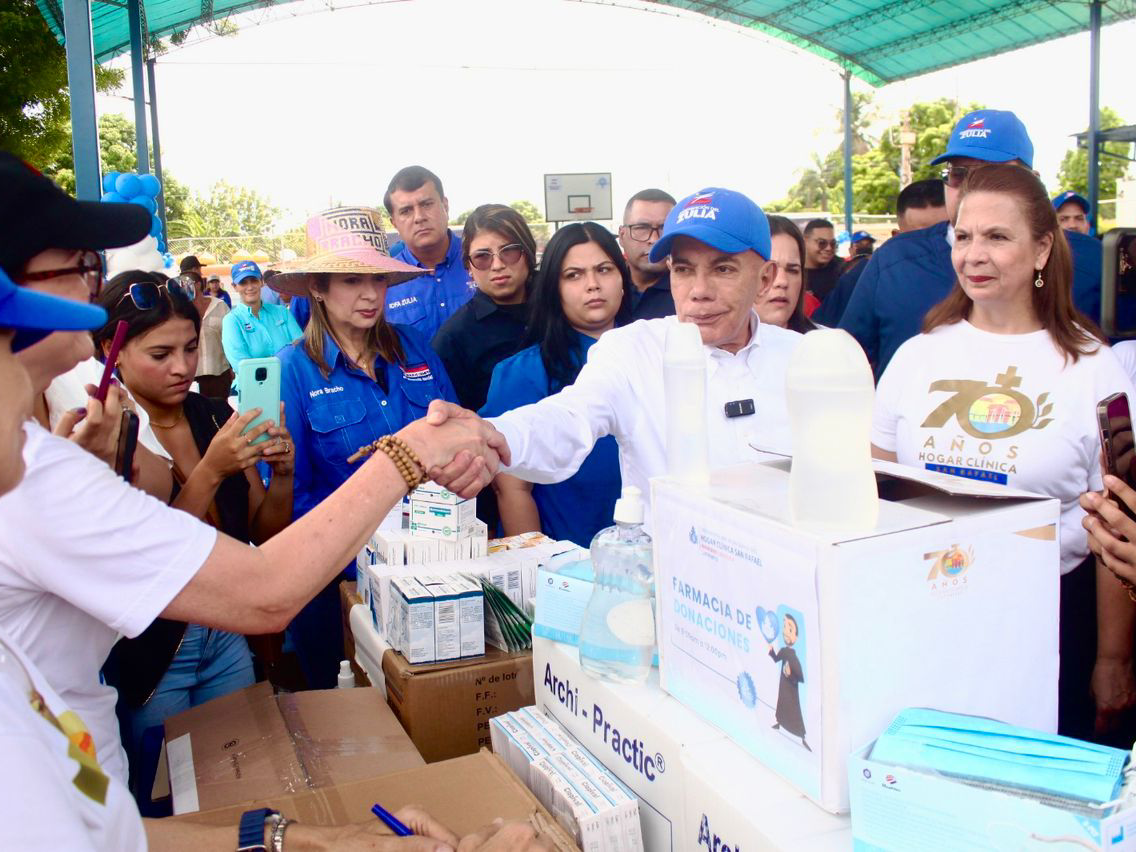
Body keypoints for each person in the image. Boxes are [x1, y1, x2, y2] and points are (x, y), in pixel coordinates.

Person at [0, 153, 505, 793]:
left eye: (379, 279)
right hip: (318, 593)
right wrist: (402, 456)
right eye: (79, 268)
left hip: (432, 571)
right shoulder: (44, 472)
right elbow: (265, 584)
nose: (90, 292)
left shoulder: (48, 459)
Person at [870, 163, 1136, 745]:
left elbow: (1118, 527)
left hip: (1051, 621)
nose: (973, 255)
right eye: (962, 237)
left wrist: (1113, 660)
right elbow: (878, 494)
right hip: (929, 613)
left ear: (1043, 248)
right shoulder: (917, 356)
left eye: (997, 237)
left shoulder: (1096, 369)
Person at [93, 271, 294, 795]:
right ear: (109, 351)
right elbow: (147, 563)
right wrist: (210, 470)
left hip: (225, 628)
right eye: (160, 355)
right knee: (165, 798)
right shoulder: (106, 437)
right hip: (155, 650)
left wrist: (284, 475)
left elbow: (261, 529)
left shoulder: (210, 415)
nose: (183, 367)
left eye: (188, 348)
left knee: (241, 783)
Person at [487, 187, 802, 517]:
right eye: (683, 270)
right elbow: (567, 420)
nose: (699, 292)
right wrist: (491, 436)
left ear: (764, 279)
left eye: (722, 269)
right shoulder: (632, 352)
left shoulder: (804, 359)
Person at [273, 206, 459, 688]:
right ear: (317, 287)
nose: (370, 294)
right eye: (352, 280)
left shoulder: (416, 347)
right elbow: (294, 498)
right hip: (339, 582)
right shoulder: (292, 371)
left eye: (377, 279)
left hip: (434, 567)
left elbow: (456, 437)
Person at [840, 108, 1105, 378]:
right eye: (958, 174)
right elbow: (843, 366)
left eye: (992, 174)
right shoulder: (893, 261)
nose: (972, 188)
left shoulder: (1092, 262)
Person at [480, 223, 631, 546]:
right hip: (567, 568)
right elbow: (513, 488)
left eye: (603, 270)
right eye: (573, 275)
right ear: (554, 288)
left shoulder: (655, 353)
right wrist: (540, 572)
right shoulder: (524, 372)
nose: (592, 285)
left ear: (622, 278)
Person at [432, 204, 535, 411]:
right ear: (468, 266)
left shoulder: (562, 304)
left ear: (528, 252)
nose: (497, 265)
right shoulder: (453, 338)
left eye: (509, 251)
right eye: (482, 257)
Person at [814, 179, 949, 327]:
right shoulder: (862, 278)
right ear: (896, 237)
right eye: (918, 240)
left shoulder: (972, 278)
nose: (935, 248)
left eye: (946, 235)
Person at [383, 167, 476, 339]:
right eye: (406, 211)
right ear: (394, 222)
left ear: (445, 205)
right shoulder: (384, 283)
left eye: (427, 204)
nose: (419, 217)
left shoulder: (481, 262)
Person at [220, 259, 302, 386]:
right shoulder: (232, 321)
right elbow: (243, 366)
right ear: (234, 287)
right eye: (243, 282)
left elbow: (301, 348)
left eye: (254, 280)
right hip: (254, 388)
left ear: (262, 282)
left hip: (291, 385)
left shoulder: (282, 312)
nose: (250, 287)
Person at [617, 188, 677, 320]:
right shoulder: (605, 288)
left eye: (664, 228)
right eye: (642, 228)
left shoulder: (690, 293)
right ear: (622, 235)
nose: (654, 239)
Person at [757, 216, 817, 334]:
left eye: (792, 270)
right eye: (768, 269)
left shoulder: (828, 347)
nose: (782, 281)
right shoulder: (712, 347)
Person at [189, 269, 233, 398]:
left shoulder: (220, 305)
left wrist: (232, 366)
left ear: (197, 284)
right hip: (193, 374)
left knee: (220, 413)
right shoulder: (180, 310)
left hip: (219, 371)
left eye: (185, 284)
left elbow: (230, 338)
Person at [802, 218, 841, 303]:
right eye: (822, 243)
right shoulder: (792, 270)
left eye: (833, 244)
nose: (828, 248)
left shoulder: (842, 270)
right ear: (804, 241)